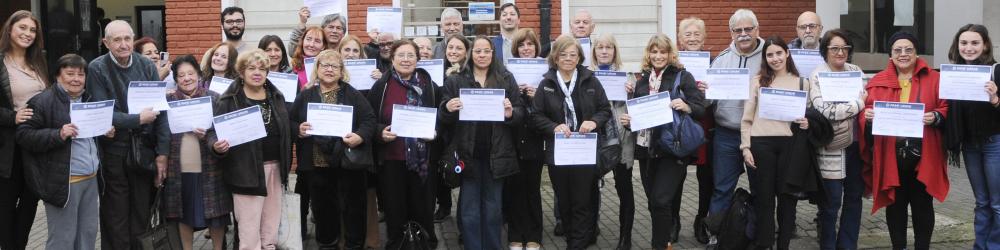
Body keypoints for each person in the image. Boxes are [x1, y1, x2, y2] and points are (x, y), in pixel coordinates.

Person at [859, 31, 949, 250]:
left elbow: (946, 107)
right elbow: (866, 111)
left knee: (922, 205)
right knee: (895, 205)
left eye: (909, 49)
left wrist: (936, 116)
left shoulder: (935, 79)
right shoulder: (878, 81)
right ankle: (898, 246)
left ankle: (922, 247)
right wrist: (867, 117)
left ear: (917, 53)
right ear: (890, 55)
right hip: (892, 155)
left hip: (924, 154)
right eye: (898, 50)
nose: (903, 54)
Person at [17, 54, 114, 250]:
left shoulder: (88, 99)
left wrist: (105, 131)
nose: (76, 79)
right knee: (63, 239)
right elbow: (24, 136)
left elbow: (89, 136)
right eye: (70, 74)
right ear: (57, 76)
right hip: (63, 182)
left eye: (80, 74)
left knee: (87, 236)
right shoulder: (42, 101)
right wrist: (58, 134)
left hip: (91, 178)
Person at [86, 20, 168, 249]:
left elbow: (161, 113)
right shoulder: (97, 68)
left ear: (133, 39)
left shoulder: (147, 66)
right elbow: (103, 113)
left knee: (141, 212)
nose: (123, 44)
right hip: (114, 151)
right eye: (117, 39)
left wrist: (163, 154)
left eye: (127, 38)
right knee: (116, 214)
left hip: (144, 149)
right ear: (106, 42)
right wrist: (136, 119)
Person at [618, 34, 704, 250]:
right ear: (649, 54)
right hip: (647, 151)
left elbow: (700, 108)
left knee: (660, 200)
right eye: (654, 51)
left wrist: (687, 106)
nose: (658, 56)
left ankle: (659, 245)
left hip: (672, 150)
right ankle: (664, 243)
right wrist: (629, 122)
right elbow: (636, 119)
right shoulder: (641, 82)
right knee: (654, 204)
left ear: (670, 54)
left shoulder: (682, 77)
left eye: (663, 52)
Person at [440, 35, 524, 250]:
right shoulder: (456, 80)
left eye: (487, 51)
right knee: (469, 209)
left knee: (493, 208)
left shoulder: (506, 78)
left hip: (497, 154)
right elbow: (443, 117)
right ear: (470, 53)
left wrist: (510, 113)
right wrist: (448, 108)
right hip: (468, 154)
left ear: (492, 53)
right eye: (478, 51)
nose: (482, 55)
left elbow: (521, 112)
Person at [207, 49, 292, 250]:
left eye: (262, 68)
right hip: (245, 172)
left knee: (270, 230)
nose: (257, 72)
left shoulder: (276, 96)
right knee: (249, 232)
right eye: (251, 68)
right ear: (241, 72)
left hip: (276, 169)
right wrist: (216, 146)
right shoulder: (229, 99)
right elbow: (213, 133)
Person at [532, 35, 611, 250]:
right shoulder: (546, 83)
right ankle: (571, 235)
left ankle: (577, 243)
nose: (568, 58)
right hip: (559, 151)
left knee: (581, 199)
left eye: (572, 55)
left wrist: (594, 122)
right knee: (563, 199)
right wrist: (553, 126)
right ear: (555, 58)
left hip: (584, 148)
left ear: (579, 58)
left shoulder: (590, 80)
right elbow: (536, 115)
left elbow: (605, 109)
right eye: (563, 55)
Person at [291, 49, 376, 250]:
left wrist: (360, 136)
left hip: (348, 162)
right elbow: (291, 121)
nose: (329, 69)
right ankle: (327, 244)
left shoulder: (351, 94)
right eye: (324, 65)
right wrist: (299, 129)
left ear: (341, 71)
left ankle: (354, 244)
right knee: (323, 210)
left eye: (334, 66)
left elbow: (369, 119)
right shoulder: (306, 95)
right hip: (317, 164)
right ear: (317, 69)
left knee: (353, 208)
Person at [740, 36, 816, 250]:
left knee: (787, 200)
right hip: (761, 144)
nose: (775, 58)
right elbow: (746, 119)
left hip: (790, 146)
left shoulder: (802, 82)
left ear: (787, 53)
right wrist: (745, 147)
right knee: (764, 200)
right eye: (770, 54)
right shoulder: (757, 81)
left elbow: (811, 116)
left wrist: (807, 122)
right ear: (765, 58)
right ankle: (765, 244)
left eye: (779, 53)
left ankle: (783, 245)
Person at [366, 39, 442, 249]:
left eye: (411, 55)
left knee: (423, 211)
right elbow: (370, 120)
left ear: (418, 59)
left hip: (423, 161)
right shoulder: (381, 86)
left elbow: (441, 120)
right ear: (392, 59)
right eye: (401, 55)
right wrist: (381, 132)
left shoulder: (430, 87)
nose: (406, 60)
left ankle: (424, 244)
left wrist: (434, 132)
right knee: (395, 212)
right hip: (392, 160)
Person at [156, 54, 231, 250]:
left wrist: (208, 137)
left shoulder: (214, 98)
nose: (186, 78)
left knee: (216, 215)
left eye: (190, 73)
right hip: (178, 168)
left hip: (210, 167)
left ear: (198, 74)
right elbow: (160, 133)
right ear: (175, 78)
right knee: (183, 213)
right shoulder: (167, 100)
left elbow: (221, 130)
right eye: (181, 75)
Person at [704, 9, 764, 248]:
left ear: (757, 29)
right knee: (722, 188)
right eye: (738, 30)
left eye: (748, 29)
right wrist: (703, 92)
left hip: (759, 135)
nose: (743, 34)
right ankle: (716, 235)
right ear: (731, 32)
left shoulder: (769, 56)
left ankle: (759, 235)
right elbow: (710, 101)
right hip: (727, 133)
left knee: (761, 188)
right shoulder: (721, 59)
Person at [943, 24, 1000, 250]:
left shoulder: (996, 71)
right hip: (970, 145)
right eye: (964, 43)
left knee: (997, 203)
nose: (969, 48)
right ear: (957, 45)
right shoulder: (952, 74)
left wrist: (995, 99)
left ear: (985, 45)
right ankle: (980, 245)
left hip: (994, 143)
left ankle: (994, 245)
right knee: (981, 201)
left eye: (975, 43)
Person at [807, 29, 865, 250]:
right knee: (830, 204)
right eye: (834, 48)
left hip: (855, 146)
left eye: (845, 48)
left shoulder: (856, 71)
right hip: (830, 148)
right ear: (825, 51)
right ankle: (828, 245)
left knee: (854, 199)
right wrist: (856, 105)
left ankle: (848, 245)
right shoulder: (817, 74)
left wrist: (848, 108)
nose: (840, 52)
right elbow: (825, 111)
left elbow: (865, 102)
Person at [0, 10, 47, 250]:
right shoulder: (1, 62)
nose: (28, 34)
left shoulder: (39, 61)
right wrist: (13, 116)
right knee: (6, 208)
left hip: (36, 145)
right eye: (22, 28)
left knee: (30, 204)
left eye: (32, 30)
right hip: (9, 149)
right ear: (10, 29)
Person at [590, 33, 638, 250]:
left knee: (624, 188)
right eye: (600, 47)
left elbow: (638, 109)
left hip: (621, 139)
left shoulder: (628, 77)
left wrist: (632, 94)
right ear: (594, 52)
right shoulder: (587, 76)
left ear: (615, 51)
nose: (604, 51)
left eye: (609, 47)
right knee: (590, 188)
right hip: (596, 139)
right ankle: (590, 231)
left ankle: (625, 237)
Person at [338, 34, 383, 250]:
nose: (351, 54)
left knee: (368, 192)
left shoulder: (371, 77)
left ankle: (371, 240)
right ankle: (345, 239)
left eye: (355, 51)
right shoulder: (333, 79)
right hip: (341, 145)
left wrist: (378, 80)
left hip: (365, 143)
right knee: (344, 195)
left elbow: (376, 111)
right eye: (346, 50)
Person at [506, 27, 545, 250]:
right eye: (521, 45)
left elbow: (553, 104)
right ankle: (515, 234)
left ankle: (534, 235)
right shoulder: (507, 72)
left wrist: (536, 95)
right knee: (514, 188)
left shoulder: (545, 71)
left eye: (530, 44)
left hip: (535, 138)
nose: (526, 48)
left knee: (533, 188)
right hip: (513, 137)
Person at [677, 16, 713, 245]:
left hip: (705, 124)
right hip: (679, 126)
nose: (692, 38)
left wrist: (709, 91)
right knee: (676, 177)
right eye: (687, 34)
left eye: (696, 34)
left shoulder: (715, 64)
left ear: (704, 37)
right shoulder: (673, 65)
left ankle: (701, 221)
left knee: (706, 178)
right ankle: (673, 221)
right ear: (680, 39)